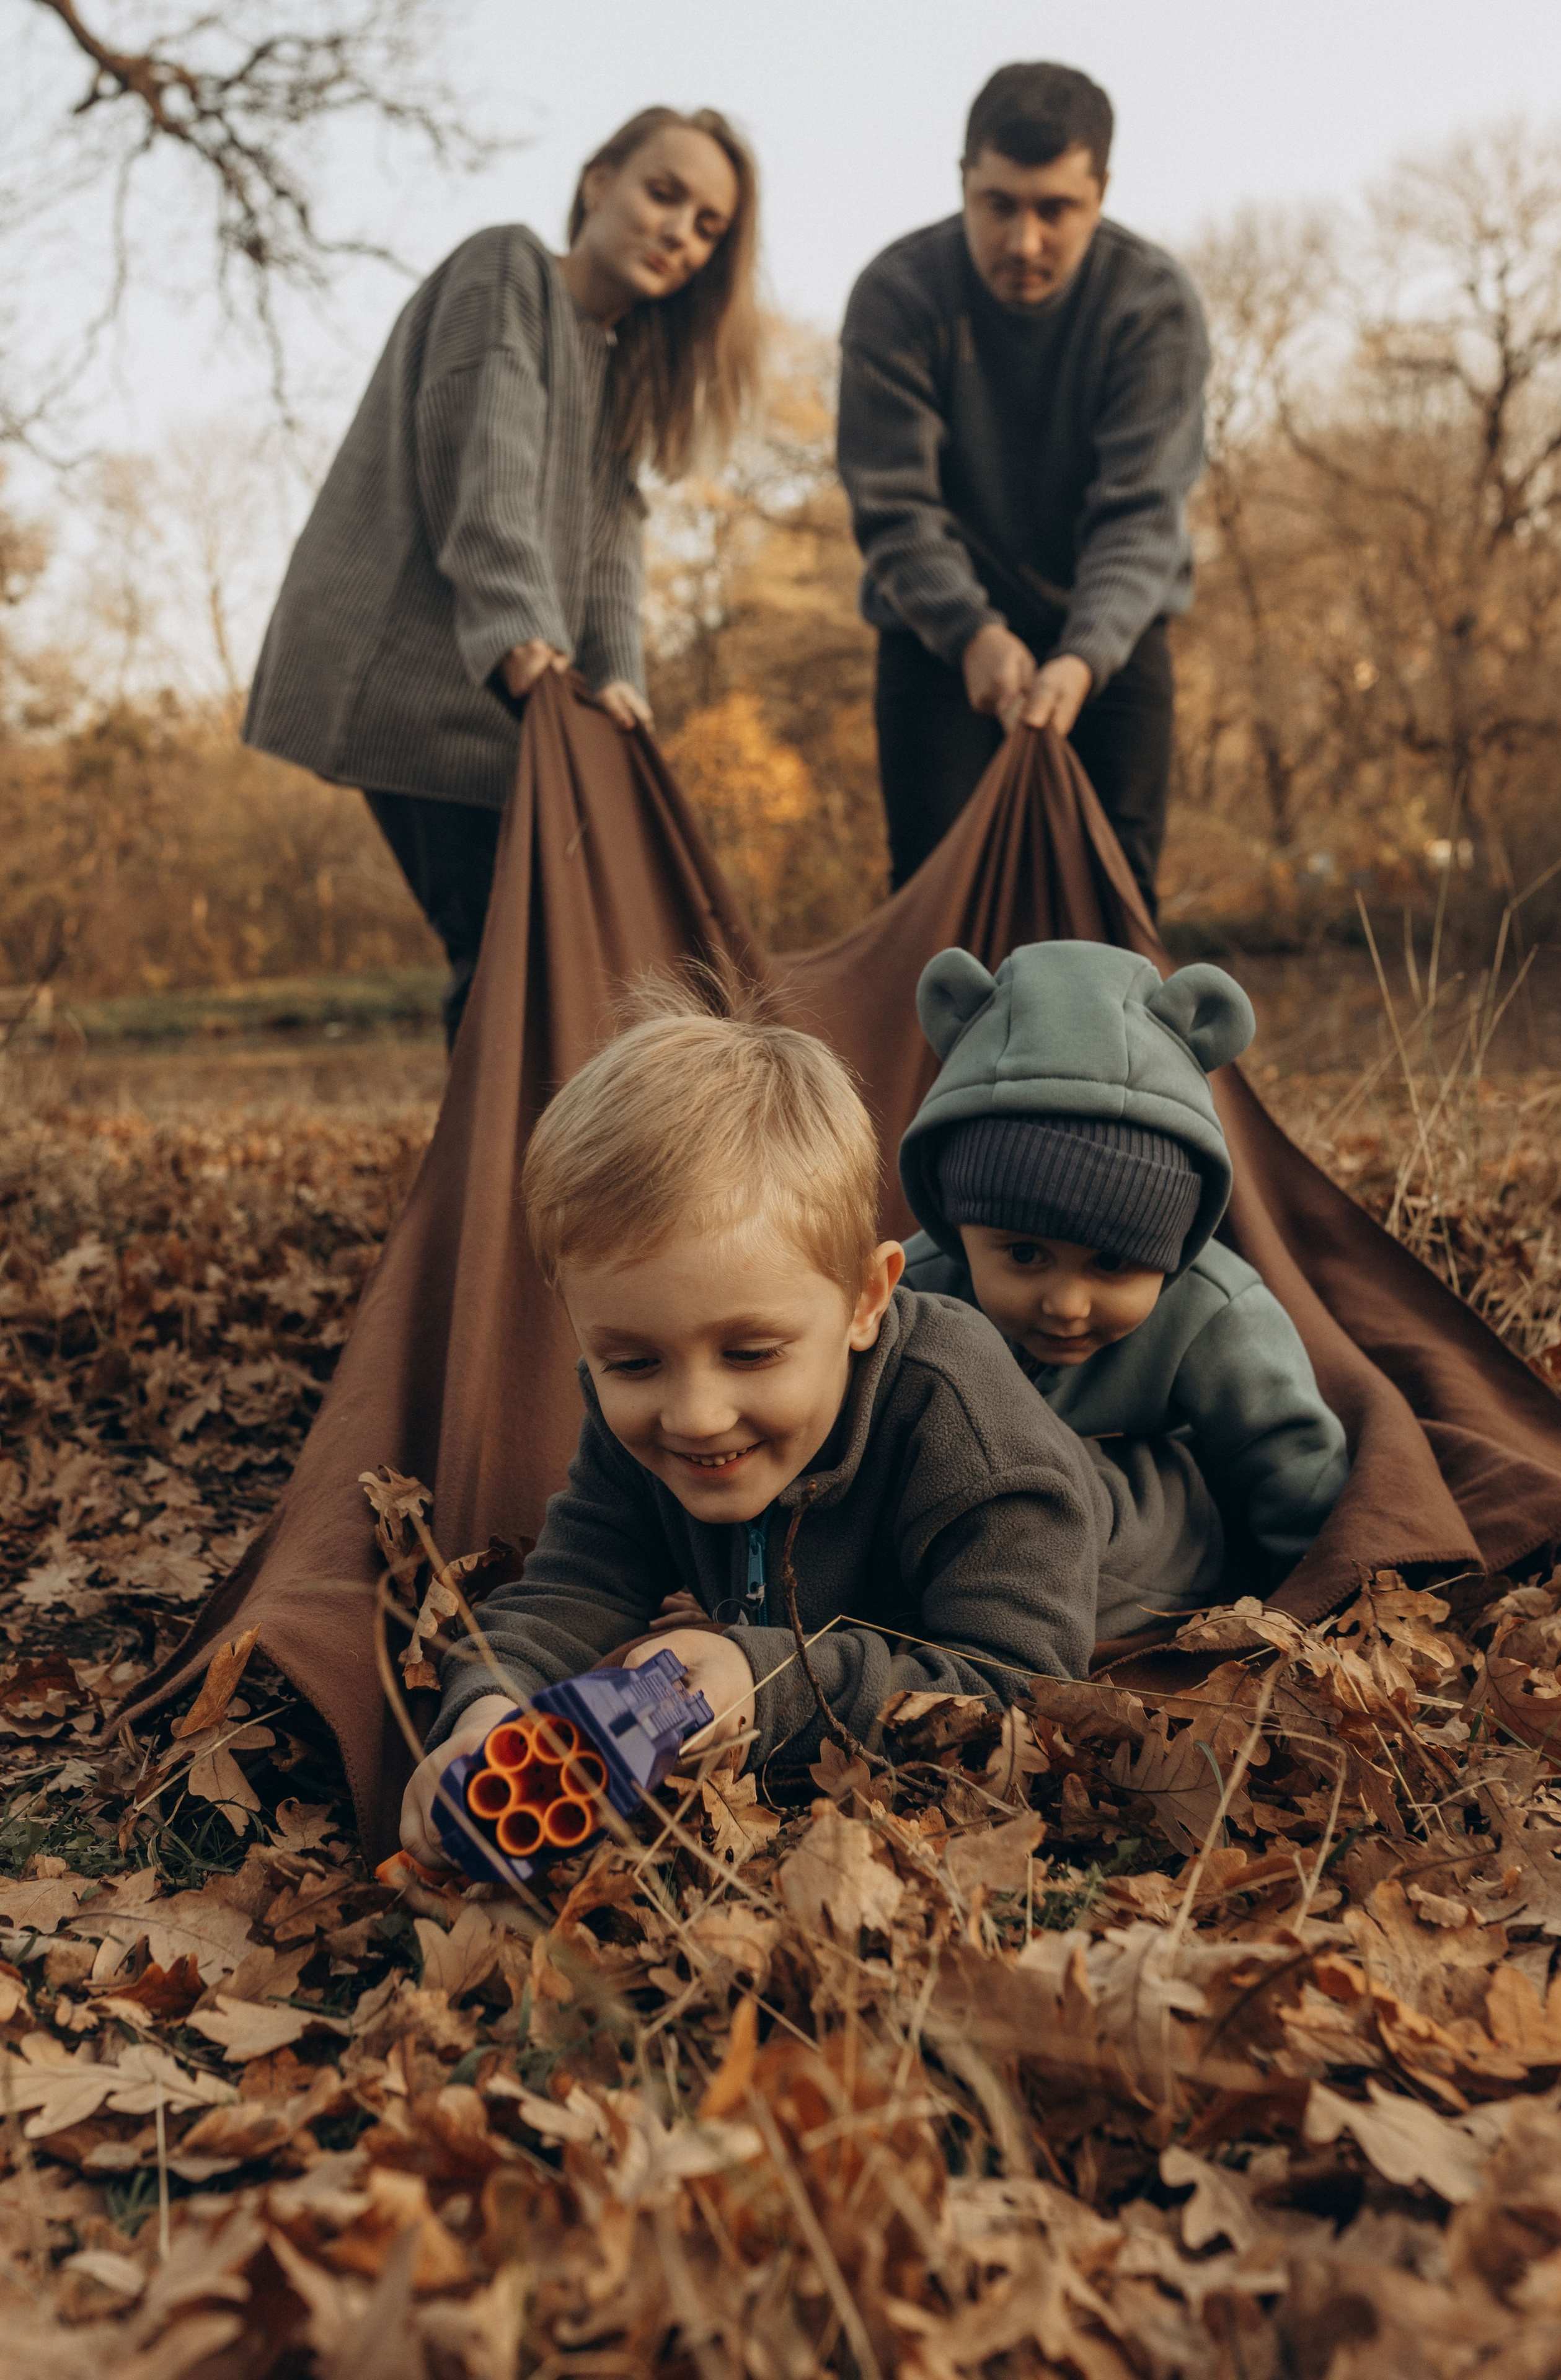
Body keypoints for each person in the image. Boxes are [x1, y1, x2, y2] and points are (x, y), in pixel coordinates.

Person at [400, 981, 1223, 1862]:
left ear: (867, 1299)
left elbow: (1012, 1693)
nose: (695, 1414)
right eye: (633, 1362)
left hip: (1156, 1539)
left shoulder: (965, 1431)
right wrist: (490, 1704)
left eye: (752, 1353)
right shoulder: (635, 1423)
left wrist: (771, 1682)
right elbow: (575, 1586)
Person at [244, 108, 761, 1046]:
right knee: (503, 950)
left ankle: (530, 1179)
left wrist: (617, 683)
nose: (681, 232)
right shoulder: (507, 268)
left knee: (544, 949)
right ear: (598, 181)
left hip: (508, 685)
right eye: (664, 193)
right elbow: (486, 457)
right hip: (416, 672)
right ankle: (488, 1188)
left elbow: (611, 553)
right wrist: (523, 633)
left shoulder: (615, 364)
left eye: (708, 226)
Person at [836, 63, 1208, 905]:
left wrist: (1083, 655)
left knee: (1115, 907)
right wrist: (971, 633)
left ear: (1100, 194)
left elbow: (1143, 514)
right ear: (964, 180)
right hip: (941, 641)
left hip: (1109, 637)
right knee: (936, 918)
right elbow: (894, 511)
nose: (1023, 241)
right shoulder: (896, 295)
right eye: (998, 204)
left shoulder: (1154, 305)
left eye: (1055, 210)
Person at [898, 941, 1350, 1599]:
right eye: (1025, 1255)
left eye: (1111, 1264)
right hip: (958, 1549)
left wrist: (1308, 1607)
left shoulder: (1214, 1315)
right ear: (956, 1223)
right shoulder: (915, 1297)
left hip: (1150, 1568)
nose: (1067, 1304)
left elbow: (1292, 1467)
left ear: (1174, 1250)